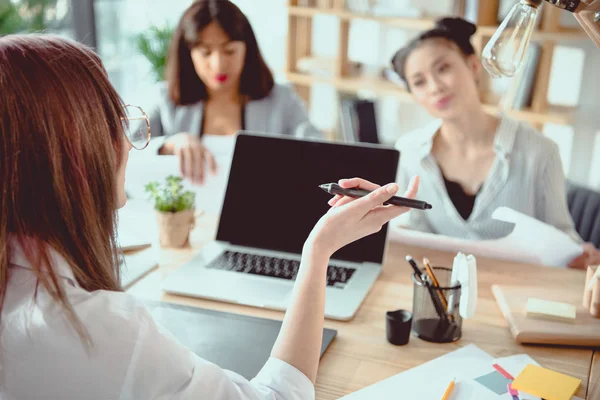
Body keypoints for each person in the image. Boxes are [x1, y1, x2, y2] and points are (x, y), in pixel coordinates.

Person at [0, 34, 418, 399]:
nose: (128, 144)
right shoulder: (103, 334)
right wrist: (319, 249)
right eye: (116, 124)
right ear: (77, 153)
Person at [390, 17, 600, 269]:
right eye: (419, 82)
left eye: (443, 68)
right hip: (441, 290)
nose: (435, 87)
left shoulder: (541, 152)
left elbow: (562, 241)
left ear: (474, 66)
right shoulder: (409, 151)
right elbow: (413, 234)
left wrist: (580, 255)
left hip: (517, 290)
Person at [145, 0, 322, 185]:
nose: (219, 65)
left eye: (229, 51)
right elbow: (127, 150)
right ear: (188, 54)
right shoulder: (165, 98)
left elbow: (318, 151)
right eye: (205, 53)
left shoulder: (282, 100)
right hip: (184, 213)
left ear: (247, 49)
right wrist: (169, 144)